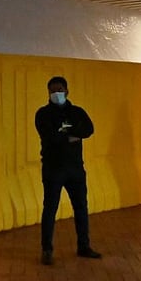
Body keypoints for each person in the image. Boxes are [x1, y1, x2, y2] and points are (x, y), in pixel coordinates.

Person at [34, 76, 100, 265]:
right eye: (53, 91)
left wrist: (65, 133)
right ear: (48, 93)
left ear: (67, 91)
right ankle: (47, 249)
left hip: (76, 169)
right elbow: (49, 137)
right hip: (53, 170)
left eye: (60, 90)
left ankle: (84, 246)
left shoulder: (77, 111)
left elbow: (88, 129)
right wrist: (71, 135)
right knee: (50, 209)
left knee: (81, 208)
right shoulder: (43, 114)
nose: (57, 94)